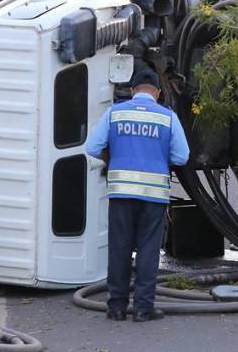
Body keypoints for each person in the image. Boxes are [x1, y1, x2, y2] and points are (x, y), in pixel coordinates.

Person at [86, 69, 189, 322]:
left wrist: (113, 157)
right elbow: (181, 156)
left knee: (119, 248)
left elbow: (92, 147)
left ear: (132, 91)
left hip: (121, 192)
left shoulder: (115, 113)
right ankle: (143, 309)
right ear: (158, 93)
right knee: (148, 250)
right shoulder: (168, 118)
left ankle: (116, 308)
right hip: (153, 195)